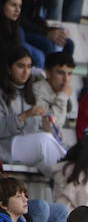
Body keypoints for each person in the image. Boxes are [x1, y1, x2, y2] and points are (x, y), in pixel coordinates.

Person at [1, 45, 63, 173]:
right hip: (6, 147)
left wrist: (47, 126)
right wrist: (24, 116)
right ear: (8, 68)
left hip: (28, 149)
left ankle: (67, 180)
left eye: (29, 67)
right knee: (44, 141)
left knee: (50, 140)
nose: (26, 72)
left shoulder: (31, 94)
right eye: (20, 66)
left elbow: (36, 132)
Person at [30, 48, 73, 127]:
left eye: (69, 74)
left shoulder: (57, 91)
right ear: (48, 73)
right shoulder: (37, 91)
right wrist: (63, 97)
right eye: (60, 73)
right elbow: (51, 125)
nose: (66, 79)